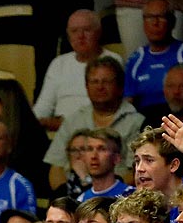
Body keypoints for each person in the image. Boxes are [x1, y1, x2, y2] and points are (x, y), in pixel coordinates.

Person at [44, 57, 145, 190]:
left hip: (117, 199)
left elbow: (137, 171)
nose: (100, 87)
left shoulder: (137, 122)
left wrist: (102, 195)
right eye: (94, 81)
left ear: (120, 87)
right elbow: (56, 168)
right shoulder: (73, 120)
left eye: (106, 81)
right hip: (74, 197)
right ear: (86, 87)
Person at [32, 10, 122, 133]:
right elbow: (42, 108)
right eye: (74, 31)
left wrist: (66, 123)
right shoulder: (59, 63)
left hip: (96, 132)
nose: (80, 36)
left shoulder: (113, 61)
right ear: (68, 36)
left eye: (86, 30)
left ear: (98, 32)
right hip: (58, 133)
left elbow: (110, 109)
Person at [124, 0, 183, 114]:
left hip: (181, 118)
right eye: (150, 18)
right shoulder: (135, 60)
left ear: (172, 22)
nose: (155, 23)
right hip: (146, 122)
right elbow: (128, 102)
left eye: (161, 17)